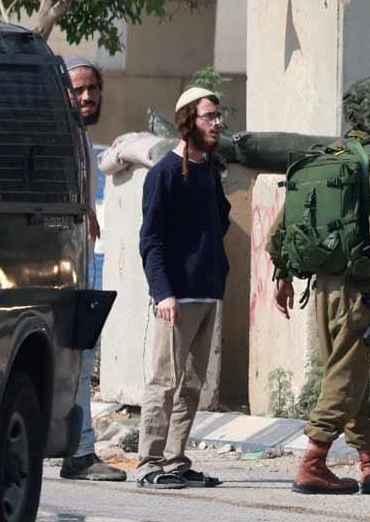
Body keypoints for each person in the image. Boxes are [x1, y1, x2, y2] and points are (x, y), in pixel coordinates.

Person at [268, 78, 370, 495]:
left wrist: (282, 275)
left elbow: (281, 228)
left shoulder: (324, 157)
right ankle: (313, 462)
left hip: (322, 287)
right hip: (359, 289)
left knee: (350, 374)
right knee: (344, 375)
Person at [136, 87, 229, 489]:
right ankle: (148, 463)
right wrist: (163, 292)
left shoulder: (209, 170)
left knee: (192, 385)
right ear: (189, 121)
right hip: (175, 298)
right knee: (164, 382)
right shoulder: (164, 174)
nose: (217, 123)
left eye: (218, 116)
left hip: (207, 292)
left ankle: (175, 461)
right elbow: (151, 240)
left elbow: (219, 221)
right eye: (209, 116)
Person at [59, 57, 126, 482]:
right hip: (55, 268)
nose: (87, 96)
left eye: (92, 88)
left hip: (75, 265)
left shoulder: (80, 138)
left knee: (81, 358)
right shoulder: (57, 135)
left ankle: (80, 451)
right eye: (78, 89)